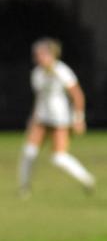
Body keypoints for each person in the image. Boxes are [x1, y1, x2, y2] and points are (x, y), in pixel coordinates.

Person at [17, 38, 96, 196]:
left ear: (50, 55)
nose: (37, 57)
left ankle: (87, 180)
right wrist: (32, 118)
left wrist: (79, 118)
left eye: (40, 54)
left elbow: (78, 95)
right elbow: (39, 98)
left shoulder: (62, 71)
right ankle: (24, 188)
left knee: (58, 157)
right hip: (41, 118)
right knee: (28, 152)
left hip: (60, 118)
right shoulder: (37, 73)